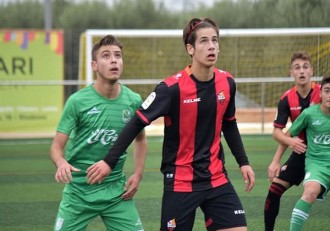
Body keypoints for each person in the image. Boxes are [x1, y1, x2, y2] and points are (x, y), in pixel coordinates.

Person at [86, 17, 255, 231]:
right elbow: (136, 122)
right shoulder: (170, 88)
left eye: (214, 40)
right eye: (203, 41)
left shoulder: (227, 82)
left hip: (216, 178)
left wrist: (243, 162)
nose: (211, 46)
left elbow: (229, 123)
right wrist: (109, 162)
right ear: (190, 48)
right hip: (180, 182)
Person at [49, 35, 147, 231]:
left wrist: (137, 173)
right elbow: (56, 146)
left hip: (116, 192)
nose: (113, 60)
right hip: (79, 191)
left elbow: (141, 140)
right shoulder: (77, 102)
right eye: (106, 56)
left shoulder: (133, 100)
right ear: (94, 65)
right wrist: (61, 163)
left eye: (118, 56)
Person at [264, 51, 321, 231]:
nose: (302, 71)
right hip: (301, 153)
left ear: (311, 71)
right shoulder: (286, 98)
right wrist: (276, 160)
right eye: (297, 68)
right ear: (292, 73)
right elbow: (279, 133)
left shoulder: (323, 93)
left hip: (323, 153)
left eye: (305, 67)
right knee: (273, 192)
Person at [286, 75, 330, 230]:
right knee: (310, 191)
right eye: (327, 90)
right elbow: (288, 135)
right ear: (321, 94)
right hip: (317, 164)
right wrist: (276, 160)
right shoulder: (309, 114)